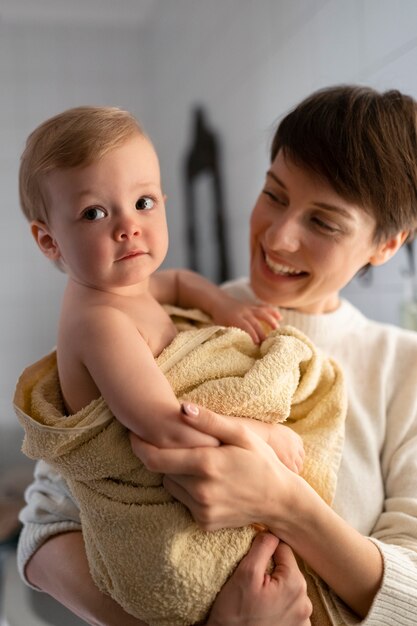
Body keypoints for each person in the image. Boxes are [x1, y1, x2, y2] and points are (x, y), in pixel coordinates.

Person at [17, 84, 417, 625]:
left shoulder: (402, 368)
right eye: (274, 194)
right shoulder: (173, 321)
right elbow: (45, 527)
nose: (278, 238)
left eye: (322, 222)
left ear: (386, 244)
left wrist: (282, 502)